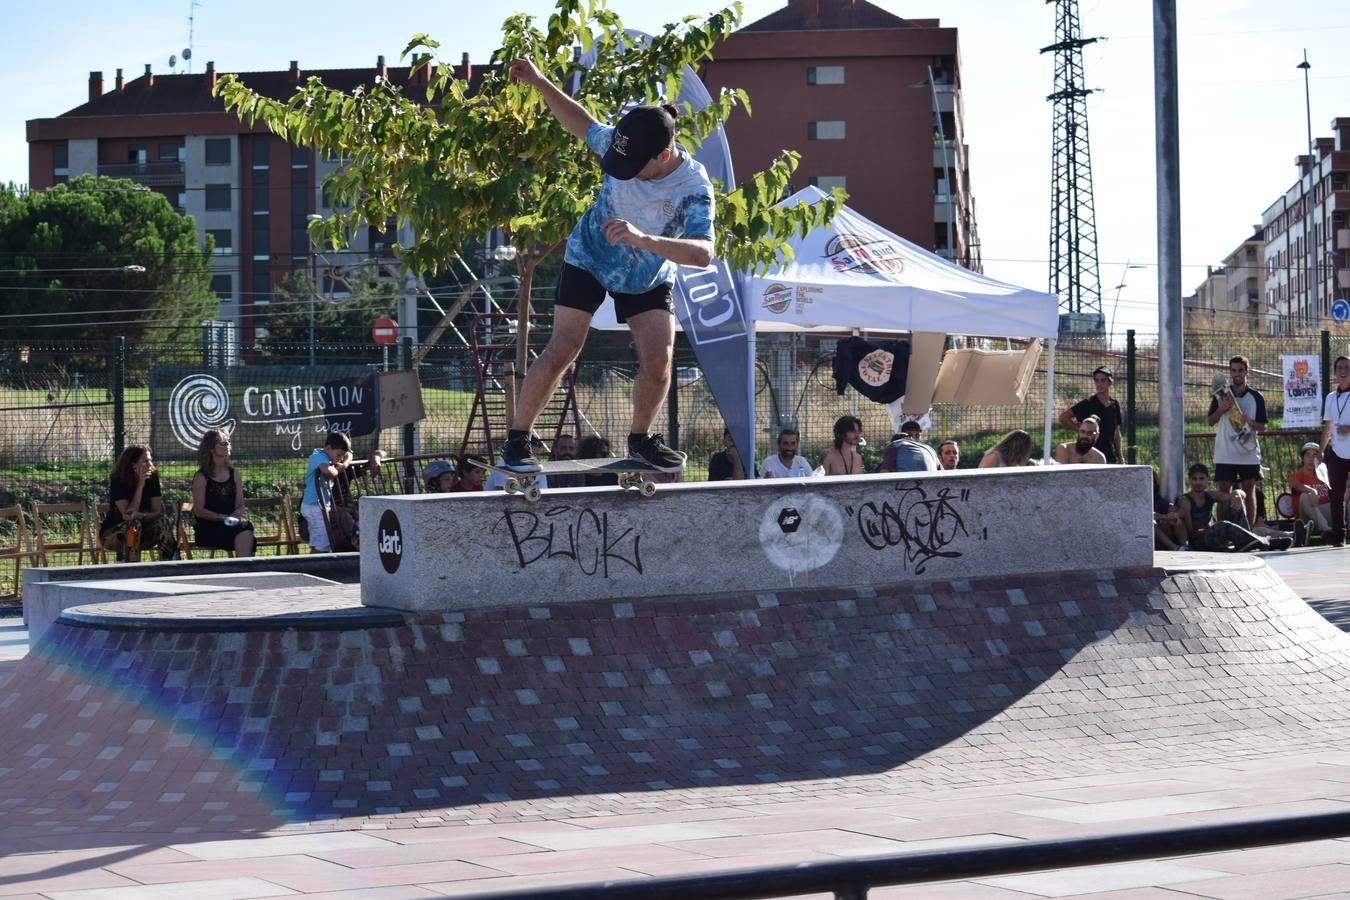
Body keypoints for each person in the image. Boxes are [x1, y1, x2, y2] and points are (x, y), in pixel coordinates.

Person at [499, 58, 715, 475]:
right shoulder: (623, 143)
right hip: (590, 256)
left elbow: (703, 253)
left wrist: (646, 240)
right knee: (565, 345)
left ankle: (641, 439)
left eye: (637, 170)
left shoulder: (694, 187)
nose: (627, 176)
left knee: (659, 359)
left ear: (664, 155)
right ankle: (517, 440)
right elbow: (580, 122)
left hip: (647, 273)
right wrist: (541, 82)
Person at [1208, 355, 1267, 528]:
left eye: (1240, 370)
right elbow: (1210, 421)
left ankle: (1248, 531)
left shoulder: (1256, 397)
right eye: (1233, 370)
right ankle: (1221, 531)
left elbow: (1262, 427)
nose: (1237, 374)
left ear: (1247, 372)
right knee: (1224, 491)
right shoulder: (1222, 395)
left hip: (1248, 452)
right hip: (1225, 452)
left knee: (1249, 490)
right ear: (1230, 372)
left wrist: (1248, 421)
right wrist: (1222, 409)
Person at [190, 429, 255, 557]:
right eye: (223, 442)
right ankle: (244, 569)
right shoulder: (201, 477)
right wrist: (224, 518)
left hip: (232, 524)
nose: (228, 445)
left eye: (228, 441)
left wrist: (236, 516)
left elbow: (240, 505)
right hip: (209, 527)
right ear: (211, 448)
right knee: (243, 532)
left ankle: (243, 570)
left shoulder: (234, 473)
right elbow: (199, 511)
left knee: (246, 527)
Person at [99, 444, 170, 561]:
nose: (150, 465)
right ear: (133, 465)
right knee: (134, 524)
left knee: (164, 521)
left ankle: (168, 563)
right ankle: (131, 565)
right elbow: (128, 514)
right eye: (146, 461)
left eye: (150, 461)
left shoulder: (153, 478)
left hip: (145, 533)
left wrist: (142, 515)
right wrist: (141, 485)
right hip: (116, 535)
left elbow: (157, 511)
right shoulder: (118, 480)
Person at [300, 431, 354, 553]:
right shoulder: (319, 457)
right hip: (314, 507)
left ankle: (313, 566)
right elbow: (327, 471)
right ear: (328, 448)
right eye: (338, 455)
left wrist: (344, 464)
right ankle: (321, 568)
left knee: (317, 543)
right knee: (324, 543)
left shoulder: (327, 455)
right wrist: (338, 469)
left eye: (341, 456)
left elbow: (349, 455)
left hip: (318, 506)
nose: (340, 459)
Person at [1059, 366, 1123, 464]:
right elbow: (1063, 417)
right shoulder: (1088, 403)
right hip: (1090, 457)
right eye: (1096, 380)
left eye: (1103, 380)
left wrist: (1121, 458)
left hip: (1109, 457)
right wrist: (1082, 430)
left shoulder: (1114, 405)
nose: (1099, 384)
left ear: (1110, 382)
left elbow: (1116, 433)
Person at [1321, 354, 1350, 547]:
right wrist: (1321, 450)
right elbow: (1328, 426)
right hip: (1337, 452)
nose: (1343, 370)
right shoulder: (1331, 397)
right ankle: (1339, 535)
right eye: (1340, 367)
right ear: (1335, 372)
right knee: (1336, 496)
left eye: (1347, 367)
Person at [1289, 441, 1331, 546]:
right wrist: (1312, 490)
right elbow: (1297, 486)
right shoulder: (1296, 476)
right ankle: (1325, 530)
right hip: (1307, 519)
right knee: (1304, 496)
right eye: (1308, 455)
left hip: (1326, 513)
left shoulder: (1325, 476)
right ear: (1302, 459)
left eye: (1315, 455)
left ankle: (1345, 530)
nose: (1311, 459)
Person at [1153, 469, 1187, 551]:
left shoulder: (1157, 498)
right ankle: (1175, 548)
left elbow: (1169, 507)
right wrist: (1164, 517)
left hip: (1165, 532)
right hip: (1148, 536)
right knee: (1151, 525)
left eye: (1152, 481)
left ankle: (1184, 548)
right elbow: (1146, 515)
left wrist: (1172, 513)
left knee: (1177, 520)